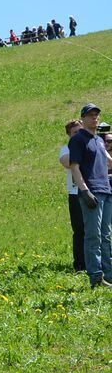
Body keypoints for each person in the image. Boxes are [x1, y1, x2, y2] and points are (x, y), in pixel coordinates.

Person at [69, 103, 112, 288]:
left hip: (106, 190)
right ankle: (96, 277)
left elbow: (109, 163)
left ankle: (109, 274)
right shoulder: (78, 139)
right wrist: (84, 190)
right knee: (93, 236)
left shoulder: (100, 141)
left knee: (106, 235)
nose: (94, 117)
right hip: (91, 191)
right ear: (83, 118)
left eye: (97, 115)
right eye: (90, 115)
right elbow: (74, 167)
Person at [60, 120, 87, 273]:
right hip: (76, 194)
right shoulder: (66, 148)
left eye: (80, 131)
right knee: (79, 230)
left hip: (96, 190)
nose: (79, 134)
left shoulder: (91, 144)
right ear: (69, 135)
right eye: (75, 132)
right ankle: (80, 265)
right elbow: (66, 162)